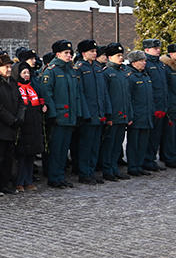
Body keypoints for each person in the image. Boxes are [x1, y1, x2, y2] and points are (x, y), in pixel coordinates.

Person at [40, 40, 82, 189]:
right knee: (56, 149)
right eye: (66, 53)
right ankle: (53, 177)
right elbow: (46, 93)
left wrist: (77, 113)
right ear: (58, 54)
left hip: (69, 116)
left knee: (64, 149)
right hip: (58, 117)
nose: (69, 55)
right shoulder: (51, 71)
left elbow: (76, 95)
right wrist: (52, 114)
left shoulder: (71, 71)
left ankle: (60, 175)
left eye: (70, 53)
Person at [0, 54, 24, 196]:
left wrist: (19, 118)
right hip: (1, 128)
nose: (9, 69)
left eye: (10, 67)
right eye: (6, 67)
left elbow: (20, 102)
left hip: (12, 127)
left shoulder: (12, 82)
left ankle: (4, 183)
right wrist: (12, 120)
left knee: (8, 159)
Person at [75, 39, 112, 185]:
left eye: (95, 51)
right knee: (86, 145)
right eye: (92, 51)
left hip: (99, 113)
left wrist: (107, 111)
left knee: (95, 146)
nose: (95, 53)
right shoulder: (79, 68)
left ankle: (91, 171)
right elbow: (80, 93)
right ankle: (84, 173)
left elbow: (104, 92)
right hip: (89, 115)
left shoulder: (97, 68)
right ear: (84, 53)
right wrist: (85, 114)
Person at [11, 61, 45, 191]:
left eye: (28, 72)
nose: (27, 75)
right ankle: (19, 181)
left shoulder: (32, 88)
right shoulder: (16, 88)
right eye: (24, 73)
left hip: (34, 126)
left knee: (31, 155)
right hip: (23, 127)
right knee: (21, 156)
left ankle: (28, 180)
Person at [99, 43, 131, 181]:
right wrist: (108, 115)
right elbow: (105, 96)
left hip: (122, 114)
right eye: (118, 55)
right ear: (110, 57)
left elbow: (127, 96)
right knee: (109, 145)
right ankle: (107, 170)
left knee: (117, 145)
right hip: (113, 115)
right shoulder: (106, 73)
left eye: (121, 55)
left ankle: (114, 168)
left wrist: (129, 114)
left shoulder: (122, 72)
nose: (121, 58)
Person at [127, 50, 155, 177]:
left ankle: (139, 165)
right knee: (134, 143)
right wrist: (130, 115)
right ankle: (133, 166)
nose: (145, 63)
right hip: (136, 116)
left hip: (146, 115)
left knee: (143, 143)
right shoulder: (131, 77)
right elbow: (128, 99)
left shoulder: (145, 76)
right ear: (134, 62)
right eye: (142, 60)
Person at [143, 39, 168, 171]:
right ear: (147, 50)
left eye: (158, 48)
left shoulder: (160, 64)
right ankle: (146, 160)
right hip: (152, 105)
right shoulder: (146, 64)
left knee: (157, 135)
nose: (158, 50)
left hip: (161, 104)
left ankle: (151, 159)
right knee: (149, 135)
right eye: (155, 48)